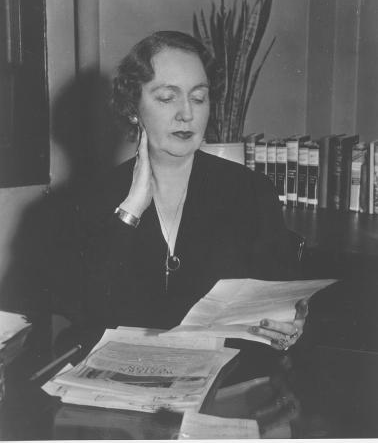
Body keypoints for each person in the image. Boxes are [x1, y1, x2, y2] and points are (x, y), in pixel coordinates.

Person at [60, 31, 307, 353]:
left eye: (198, 97)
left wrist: (294, 320)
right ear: (133, 108)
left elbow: (283, 298)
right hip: (125, 382)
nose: (186, 113)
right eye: (167, 97)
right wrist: (132, 208)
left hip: (224, 379)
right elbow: (81, 311)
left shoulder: (250, 190)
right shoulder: (94, 198)